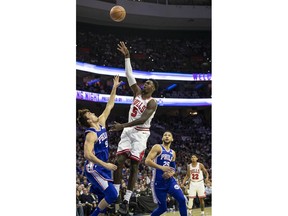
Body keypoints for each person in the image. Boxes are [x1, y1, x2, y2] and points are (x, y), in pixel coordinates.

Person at [109, 41, 159, 215]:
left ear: (153, 89)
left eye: (149, 84)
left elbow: (142, 119)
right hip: (128, 131)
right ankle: (115, 193)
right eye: (145, 82)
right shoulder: (137, 93)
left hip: (141, 134)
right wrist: (127, 56)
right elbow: (129, 74)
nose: (145, 84)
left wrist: (122, 125)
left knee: (134, 166)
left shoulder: (152, 102)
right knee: (118, 162)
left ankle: (126, 199)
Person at [77, 75, 121, 216]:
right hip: (94, 168)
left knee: (105, 199)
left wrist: (114, 88)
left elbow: (110, 105)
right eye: (90, 113)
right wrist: (105, 164)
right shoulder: (91, 134)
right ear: (89, 119)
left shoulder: (101, 122)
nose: (94, 112)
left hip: (101, 166)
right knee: (113, 195)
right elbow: (87, 154)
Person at [145, 131, 188, 216]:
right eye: (165, 135)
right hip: (158, 182)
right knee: (162, 208)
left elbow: (173, 167)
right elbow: (147, 161)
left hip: (170, 181)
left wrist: (171, 173)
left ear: (172, 139)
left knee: (182, 199)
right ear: (162, 138)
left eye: (169, 135)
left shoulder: (173, 152)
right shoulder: (157, 147)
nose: (167, 136)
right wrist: (161, 168)